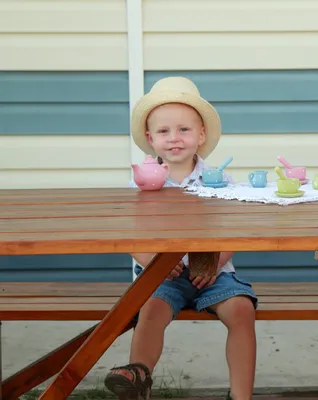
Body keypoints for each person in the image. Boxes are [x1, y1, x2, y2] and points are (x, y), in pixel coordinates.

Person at [104, 77, 258, 400]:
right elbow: (129, 235)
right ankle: (138, 375)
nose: (174, 139)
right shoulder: (142, 184)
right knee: (150, 312)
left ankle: (241, 396)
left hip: (212, 275)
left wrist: (216, 262)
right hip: (162, 276)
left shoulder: (219, 181)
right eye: (163, 132)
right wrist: (152, 261)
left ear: (201, 135)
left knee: (242, 311)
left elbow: (236, 227)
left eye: (184, 130)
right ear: (150, 138)